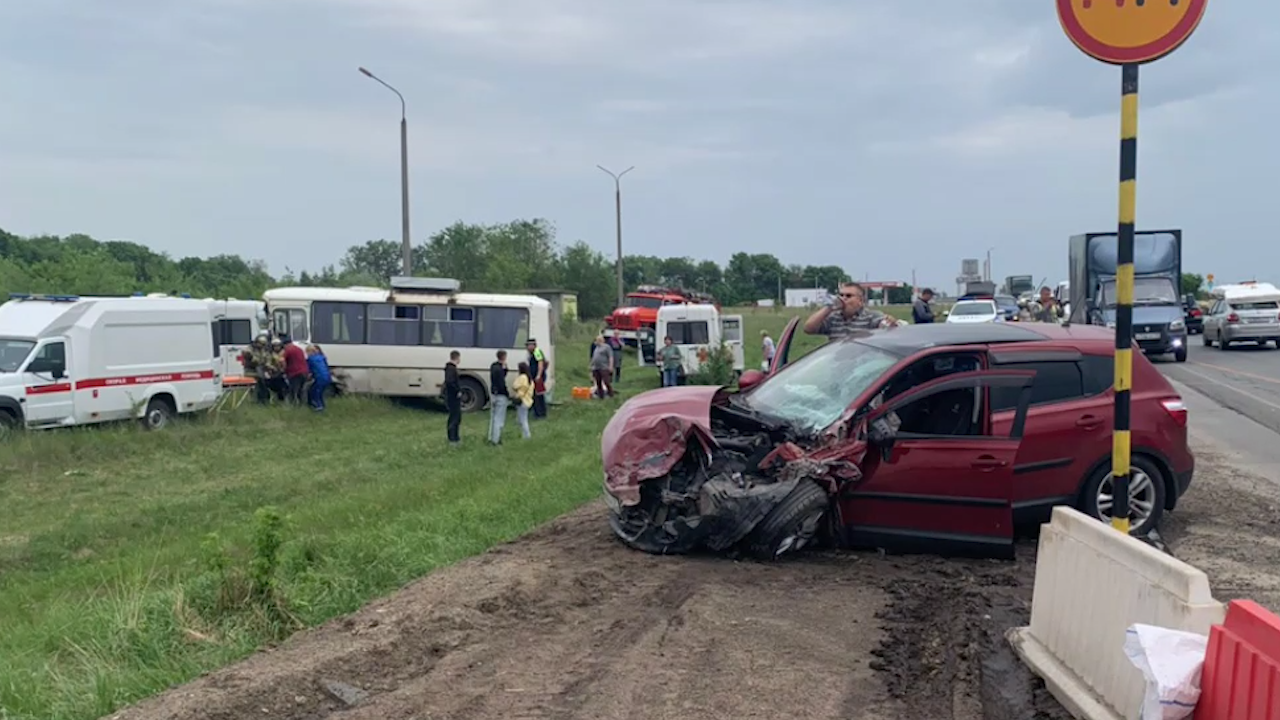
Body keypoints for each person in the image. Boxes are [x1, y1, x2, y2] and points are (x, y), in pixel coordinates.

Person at [804, 282, 899, 340]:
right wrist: (829, 307)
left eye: (848, 296)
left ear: (860, 301)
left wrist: (890, 323)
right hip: (837, 364)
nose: (843, 299)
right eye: (841, 295)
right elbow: (808, 329)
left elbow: (888, 327)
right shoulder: (833, 318)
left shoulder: (871, 316)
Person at [243, 334, 272, 404]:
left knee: (262, 386)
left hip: (260, 371)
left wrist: (268, 365)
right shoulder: (250, 349)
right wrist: (253, 359)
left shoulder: (264, 350)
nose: (261, 345)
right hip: (250, 371)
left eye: (263, 344)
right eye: (260, 344)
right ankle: (253, 401)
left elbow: (267, 358)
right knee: (253, 387)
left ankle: (263, 400)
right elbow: (247, 354)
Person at [488, 350, 509, 445]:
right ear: (504, 357)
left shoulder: (493, 366)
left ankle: (491, 436)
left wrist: (505, 369)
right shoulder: (500, 369)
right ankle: (496, 439)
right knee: (499, 418)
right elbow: (501, 382)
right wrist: (507, 393)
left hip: (493, 393)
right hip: (500, 394)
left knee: (493, 416)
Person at [281, 335, 309, 405]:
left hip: (295, 373)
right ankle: (302, 405)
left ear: (285, 344)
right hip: (305, 372)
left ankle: (292, 405)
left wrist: (283, 369)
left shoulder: (288, 350)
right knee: (301, 390)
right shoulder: (299, 349)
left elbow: (281, 360)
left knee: (293, 390)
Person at [526, 338, 548, 419]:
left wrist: (538, 375)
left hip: (538, 377)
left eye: (528, 345)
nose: (527, 348)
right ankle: (540, 412)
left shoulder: (537, 351)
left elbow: (540, 363)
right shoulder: (531, 353)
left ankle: (539, 413)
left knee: (537, 395)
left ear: (533, 345)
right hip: (535, 376)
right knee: (537, 394)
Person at [511, 362, 534, 439]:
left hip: (521, 400)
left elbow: (514, 385)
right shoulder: (530, 379)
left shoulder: (522, 377)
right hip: (528, 400)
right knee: (523, 418)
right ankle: (525, 435)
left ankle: (527, 436)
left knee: (523, 420)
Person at [305, 344, 331, 411]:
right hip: (328, 377)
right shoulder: (322, 357)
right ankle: (322, 405)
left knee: (316, 392)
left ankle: (319, 407)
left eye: (307, 352)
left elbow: (308, 371)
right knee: (320, 392)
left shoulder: (310, 359)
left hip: (320, 378)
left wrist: (308, 376)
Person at [444, 350, 462, 446]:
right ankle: (452, 439)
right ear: (457, 358)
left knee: (456, 417)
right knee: (454, 417)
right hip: (453, 397)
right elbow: (450, 382)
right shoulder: (451, 369)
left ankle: (455, 437)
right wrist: (457, 391)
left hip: (453, 396)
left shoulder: (450, 368)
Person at [264, 338, 288, 402]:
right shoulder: (270, 354)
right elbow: (267, 363)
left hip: (284, 373)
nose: (277, 347)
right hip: (274, 374)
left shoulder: (284, 352)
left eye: (278, 346)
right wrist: (272, 368)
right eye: (275, 346)